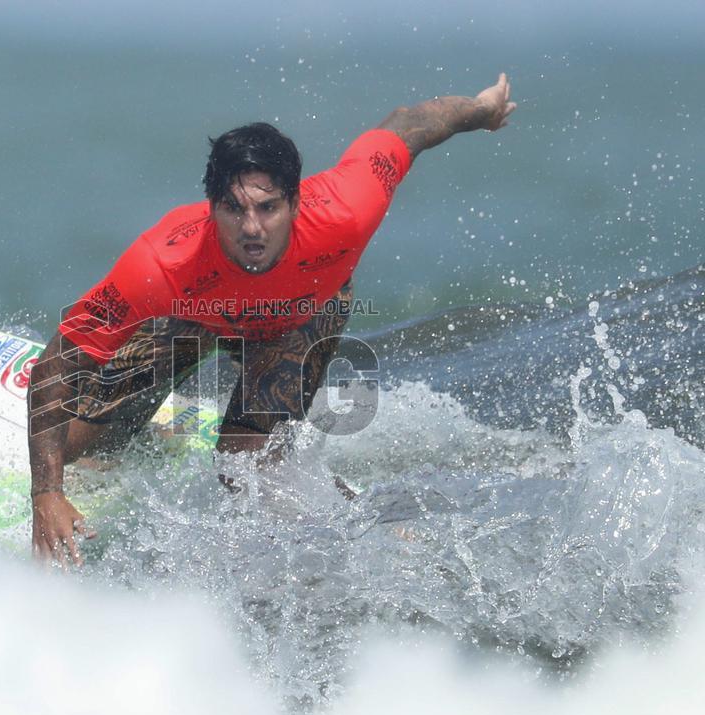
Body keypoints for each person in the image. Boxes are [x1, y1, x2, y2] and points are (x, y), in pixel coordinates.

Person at [28, 73, 517, 565]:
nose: (252, 228)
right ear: (211, 206)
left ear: (295, 202)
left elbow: (407, 127)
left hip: (300, 316)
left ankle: (371, 527)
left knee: (244, 468)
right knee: (77, 446)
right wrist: (46, 493)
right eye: (233, 209)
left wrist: (481, 110)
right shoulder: (162, 264)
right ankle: (136, 433)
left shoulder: (348, 207)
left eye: (268, 208)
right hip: (198, 313)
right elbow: (60, 360)